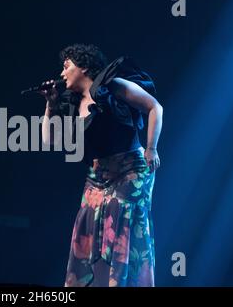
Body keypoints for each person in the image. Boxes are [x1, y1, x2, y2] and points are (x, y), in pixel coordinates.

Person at [41, 44, 163, 287]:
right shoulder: (72, 102)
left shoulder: (114, 85)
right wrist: (50, 104)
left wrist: (151, 148)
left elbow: (154, 107)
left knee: (121, 229)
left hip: (130, 171)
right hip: (97, 177)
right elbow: (49, 140)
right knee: (87, 230)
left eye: (67, 67)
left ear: (83, 66)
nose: (62, 73)